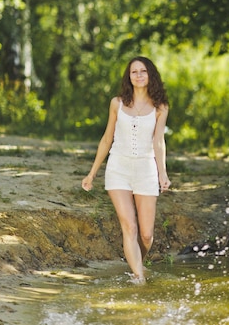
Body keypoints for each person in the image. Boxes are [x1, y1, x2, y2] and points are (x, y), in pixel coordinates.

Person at [81, 56, 171, 284]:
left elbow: (159, 142)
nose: (139, 75)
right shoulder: (117, 103)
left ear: (151, 75)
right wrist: (92, 173)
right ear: (128, 77)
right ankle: (138, 279)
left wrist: (163, 173)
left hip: (146, 169)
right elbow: (107, 138)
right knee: (129, 226)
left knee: (146, 235)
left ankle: (136, 261)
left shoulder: (160, 107)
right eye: (134, 72)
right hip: (118, 168)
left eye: (143, 71)